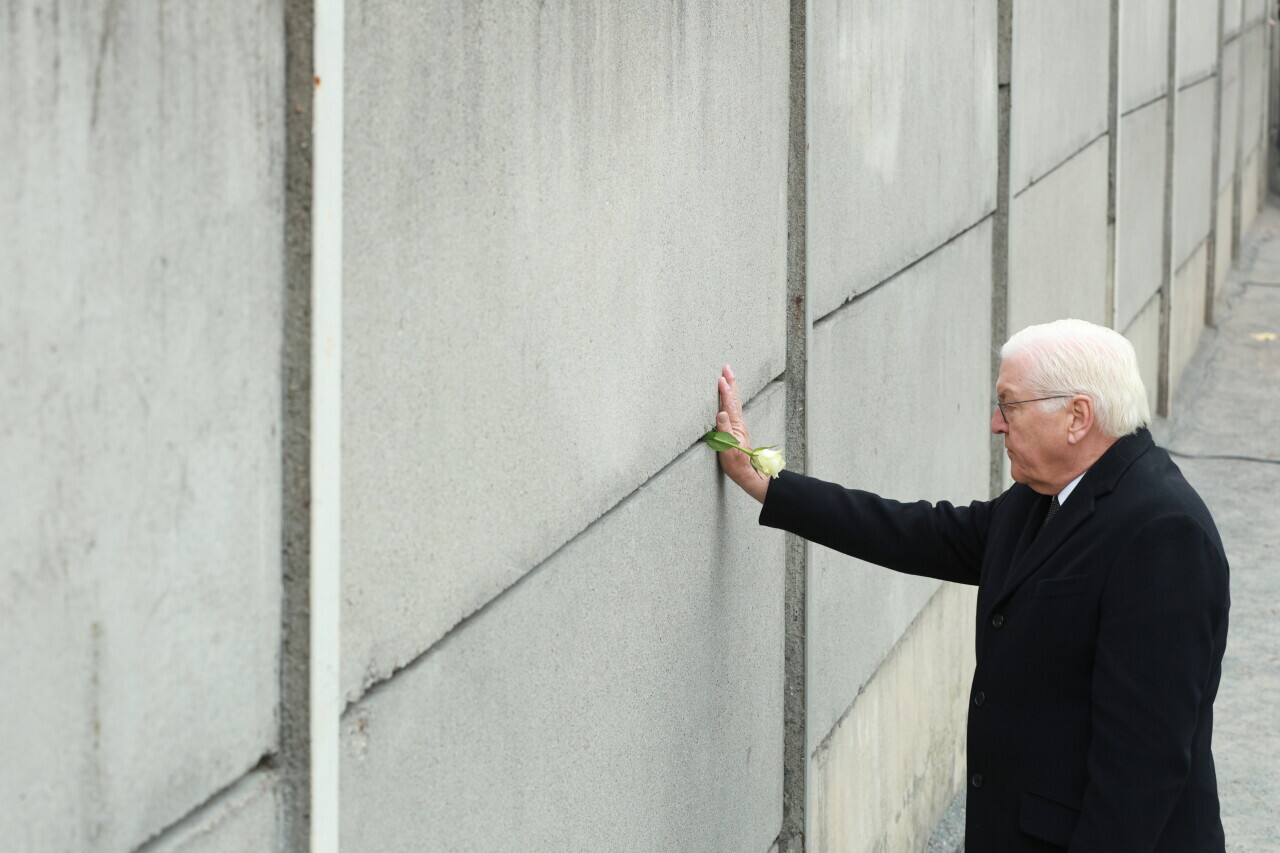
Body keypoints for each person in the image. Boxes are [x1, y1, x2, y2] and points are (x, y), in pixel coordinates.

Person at [715, 319, 1229, 852]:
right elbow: (919, 533)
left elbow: (1141, 769)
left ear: (1077, 416)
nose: (995, 424)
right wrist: (767, 484)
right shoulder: (1046, 494)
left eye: (1009, 405)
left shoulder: (1163, 532)